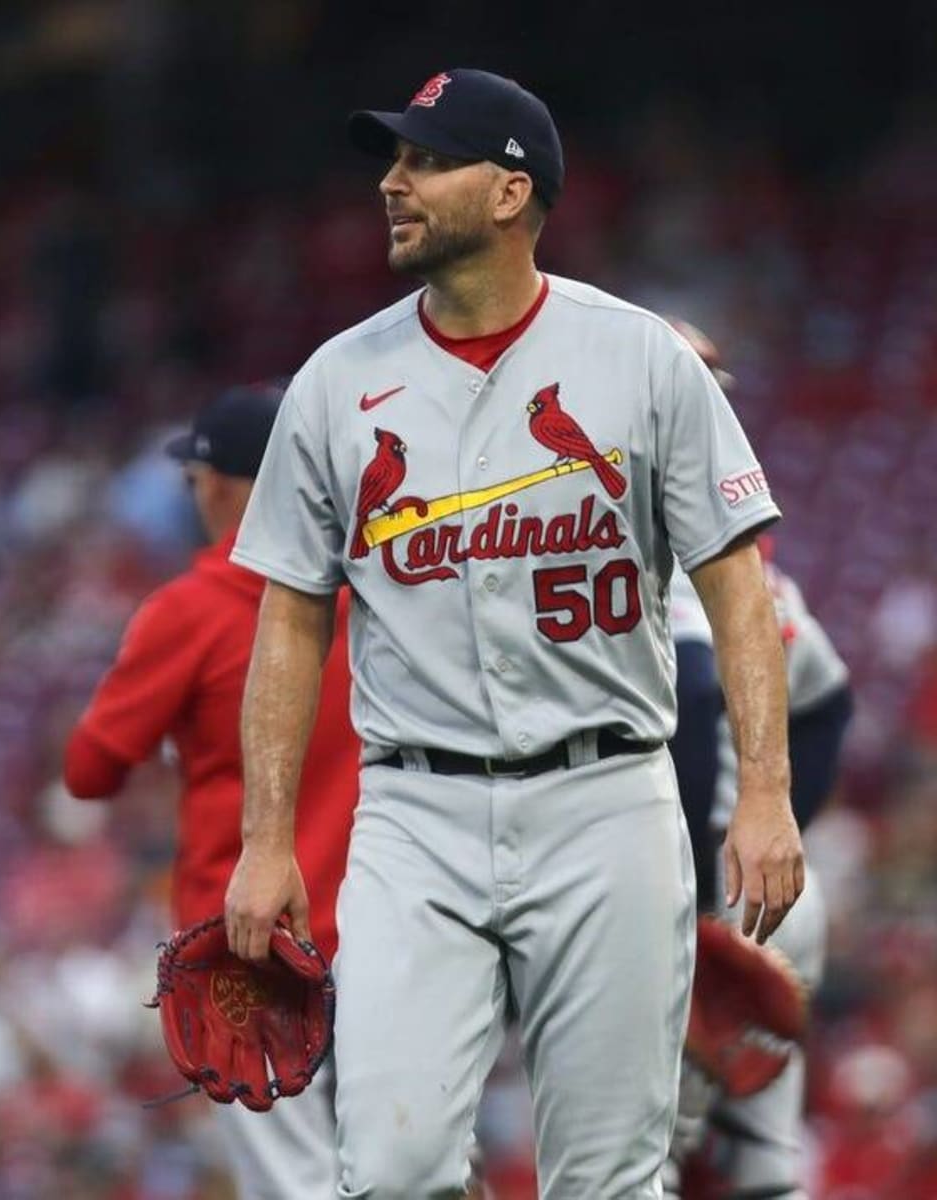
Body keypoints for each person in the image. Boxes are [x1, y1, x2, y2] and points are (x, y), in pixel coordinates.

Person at [221, 68, 803, 1197]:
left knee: (609, 1178)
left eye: (426, 160)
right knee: (389, 1171)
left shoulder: (640, 358)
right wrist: (264, 836)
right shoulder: (336, 384)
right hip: (414, 815)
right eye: (393, 159)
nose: (393, 181)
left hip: (606, 802)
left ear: (508, 191)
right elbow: (290, 618)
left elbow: (737, 589)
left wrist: (765, 795)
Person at [63, 384, 359, 1200]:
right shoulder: (375, 594)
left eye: (195, 480)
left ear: (224, 485)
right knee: (411, 1167)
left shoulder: (189, 611)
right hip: (386, 923)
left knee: (295, 1186)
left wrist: (176, 724)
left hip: (247, 941)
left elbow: (89, 771)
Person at [663, 321, 853, 1200]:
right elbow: (829, 702)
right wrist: (781, 830)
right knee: (764, 1159)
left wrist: (707, 892)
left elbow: (697, 705)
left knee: (647, 1155)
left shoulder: (654, 558)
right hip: (776, 896)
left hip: (696, 899)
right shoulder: (764, 575)